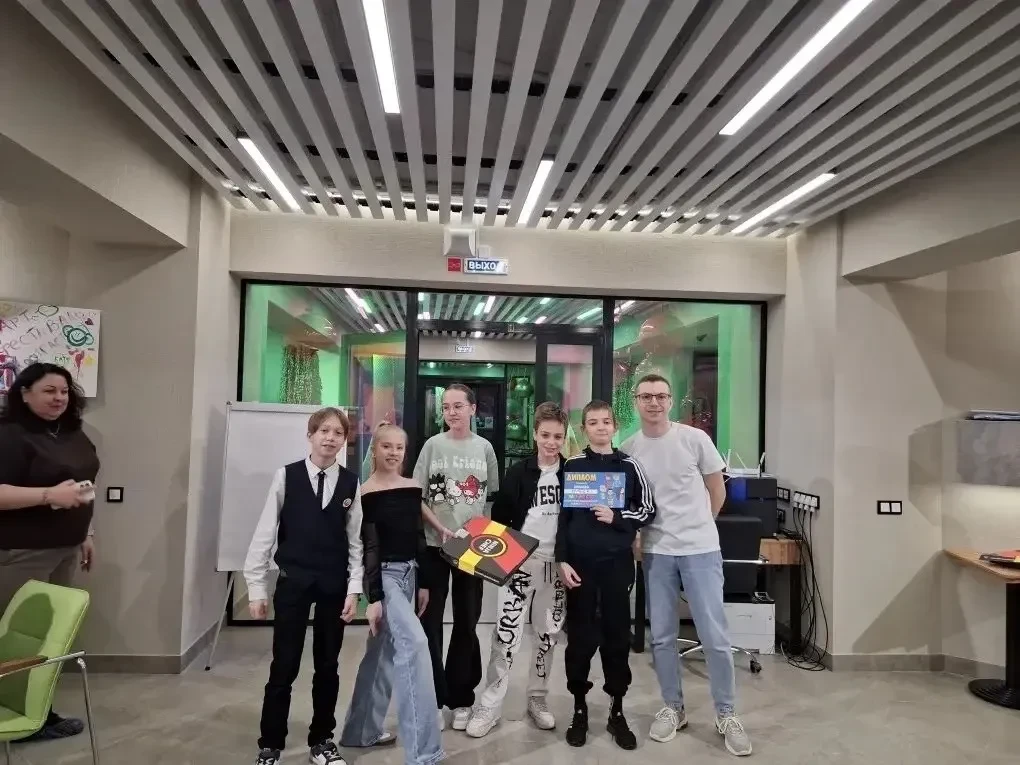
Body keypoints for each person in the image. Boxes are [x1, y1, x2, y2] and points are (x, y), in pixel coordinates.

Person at [621, 373, 752, 757]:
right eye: (647, 396)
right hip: (657, 552)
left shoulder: (695, 439)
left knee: (714, 636)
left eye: (661, 396)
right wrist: (637, 538)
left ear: (671, 400)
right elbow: (633, 502)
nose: (654, 403)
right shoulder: (629, 449)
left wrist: (703, 525)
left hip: (700, 550)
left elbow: (717, 488)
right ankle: (673, 708)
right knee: (662, 636)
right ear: (636, 401)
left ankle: (726, 714)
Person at [244, 407, 364, 765]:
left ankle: (322, 741)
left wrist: (354, 589)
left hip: (333, 584)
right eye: (324, 430)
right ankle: (270, 745)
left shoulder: (351, 483)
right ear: (310, 435)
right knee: (284, 665)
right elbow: (265, 532)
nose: (330, 438)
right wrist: (256, 588)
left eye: (338, 433)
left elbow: (355, 541)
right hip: (293, 582)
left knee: (328, 665)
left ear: (344, 441)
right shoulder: (287, 476)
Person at [0, 362, 99, 741]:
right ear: (25, 393)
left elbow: (84, 486)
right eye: (49, 391)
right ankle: (15, 717)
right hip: (21, 552)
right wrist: (47, 495)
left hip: (65, 548)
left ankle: (36, 712)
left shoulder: (71, 431)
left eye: (64, 391)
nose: (59, 398)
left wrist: (86, 532)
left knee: (47, 638)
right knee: (17, 638)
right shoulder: (10, 434)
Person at [340, 423, 444, 765]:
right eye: (387, 446)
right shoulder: (365, 493)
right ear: (376, 449)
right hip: (384, 577)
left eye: (399, 447)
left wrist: (424, 581)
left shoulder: (412, 487)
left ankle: (360, 731)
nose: (393, 452)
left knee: (382, 653)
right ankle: (424, 753)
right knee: (415, 645)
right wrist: (373, 598)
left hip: (410, 574)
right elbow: (368, 547)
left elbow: (419, 535)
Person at [556, 400, 655, 750]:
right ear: (584, 428)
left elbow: (648, 509)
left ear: (615, 427)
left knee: (616, 638)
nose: (600, 427)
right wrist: (561, 560)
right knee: (580, 639)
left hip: (616, 566)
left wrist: (618, 517)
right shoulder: (572, 466)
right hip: (580, 567)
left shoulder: (629, 465)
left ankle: (617, 709)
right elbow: (563, 519)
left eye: (606, 422)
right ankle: (579, 708)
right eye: (593, 422)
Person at [466, 402, 569, 738]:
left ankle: (537, 698)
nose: (551, 442)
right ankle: (490, 704)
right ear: (535, 434)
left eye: (557, 436)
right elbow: (500, 518)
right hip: (521, 564)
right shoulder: (519, 472)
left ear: (564, 437)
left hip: (555, 567)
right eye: (545, 435)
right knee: (506, 635)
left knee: (547, 635)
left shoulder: (572, 473)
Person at [413, 383, 499, 731]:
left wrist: (480, 536)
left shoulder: (485, 448)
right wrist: (441, 529)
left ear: (473, 409)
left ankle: (461, 699)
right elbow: (417, 497)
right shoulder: (432, 446)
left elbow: (489, 501)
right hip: (435, 546)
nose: (451, 412)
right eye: (446, 407)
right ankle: (433, 698)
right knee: (430, 623)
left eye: (458, 406)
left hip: (471, 549)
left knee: (467, 622)